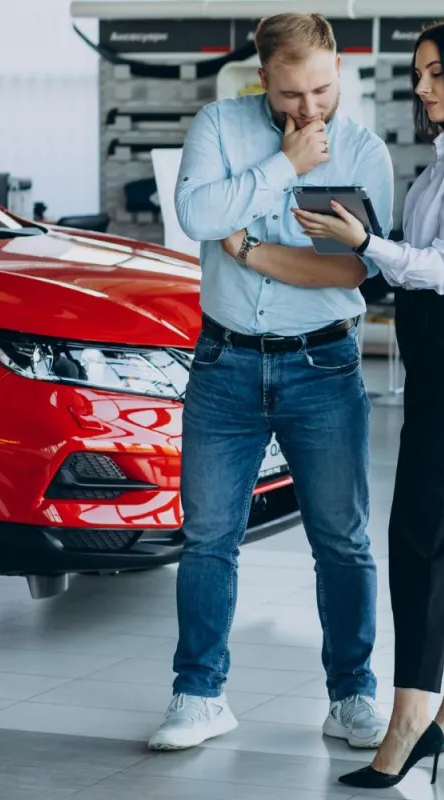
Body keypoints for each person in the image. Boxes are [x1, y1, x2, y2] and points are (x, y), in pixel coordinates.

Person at [238, 18, 444, 789]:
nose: (422, 88)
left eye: (435, 74)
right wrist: (355, 240)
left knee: (424, 532)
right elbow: (415, 262)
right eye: (419, 74)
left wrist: (364, 243)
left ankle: (410, 718)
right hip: (438, 351)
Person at [147, 12, 393, 752]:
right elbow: (195, 213)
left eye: (321, 89)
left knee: (342, 541)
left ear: (339, 72)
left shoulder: (363, 150)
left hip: (323, 365)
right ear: (264, 80)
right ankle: (198, 696)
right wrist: (284, 166)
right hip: (224, 363)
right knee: (208, 539)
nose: (309, 110)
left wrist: (250, 247)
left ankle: (352, 696)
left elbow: (353, 270)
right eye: (291, 95)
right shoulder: (220, 126)